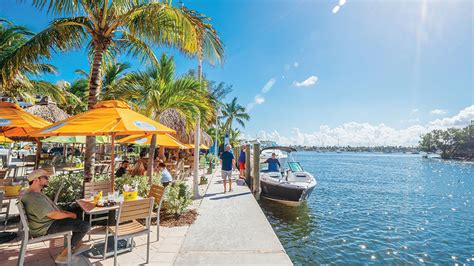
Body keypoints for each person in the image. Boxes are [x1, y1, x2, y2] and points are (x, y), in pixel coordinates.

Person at [21, 169, 91, 263]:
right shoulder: (33, 197)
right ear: (36, 180)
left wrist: (69, 213)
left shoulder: (34, 193)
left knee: (79, 211)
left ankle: (76, 243)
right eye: (45, 177)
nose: (48, 179)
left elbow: (52, 212)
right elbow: (53, 214)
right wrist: (70, 215)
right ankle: (63, 256)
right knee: (84, 226)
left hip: (45, 222)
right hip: (47, 226)